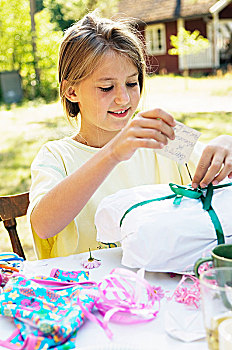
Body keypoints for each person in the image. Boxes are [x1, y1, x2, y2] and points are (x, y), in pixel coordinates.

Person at [27, 12, 232, 260]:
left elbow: (216, 162)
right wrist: (112, 153)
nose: (123, 99)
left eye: (132, 83)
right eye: (106, 87)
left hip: (159, 285)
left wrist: (226, 143)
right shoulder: (56, 156)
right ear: (71, 91)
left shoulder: (160, 134)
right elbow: (43, 225)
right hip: (87, 292)